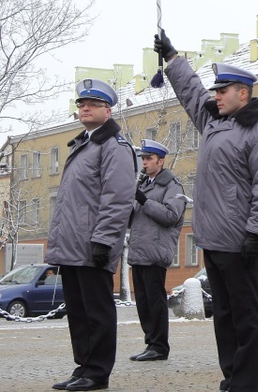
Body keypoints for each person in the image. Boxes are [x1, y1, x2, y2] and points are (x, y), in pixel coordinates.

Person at [155, 31, 258, 392]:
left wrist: (257, 233)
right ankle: (231, 376)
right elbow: (191, 93)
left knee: (245, 317)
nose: (215, 96)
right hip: (213, 239)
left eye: (222, 91)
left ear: (242, 93)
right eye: (215, 91)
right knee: (225, 317)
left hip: (241, 240)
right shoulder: (215, 122)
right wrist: (172, 58)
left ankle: (245, 382)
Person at [46, 78, 137, 391]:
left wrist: (104, 241)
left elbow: (118, 198)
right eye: (82, 104)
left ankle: (97, 372)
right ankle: (83, 366)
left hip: (93, 245)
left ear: (107, 111)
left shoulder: (115, 148)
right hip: (72, 245)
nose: (85, 108)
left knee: (97, 312)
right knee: (78, 312)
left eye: (93, 104)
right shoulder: (83, 145)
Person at [128, 139, 186, 362]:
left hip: (155, 252)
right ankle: (150, 343)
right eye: (143, 159)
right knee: (143, 303)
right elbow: (134, 220)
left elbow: (171, 216)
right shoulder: (144, 184)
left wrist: (143, 200)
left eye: (149, 159)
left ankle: (160, 346)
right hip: (140, 252)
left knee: (155, 301)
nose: (144, 163)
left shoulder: (173, 186)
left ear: (161, 161)